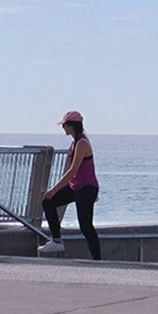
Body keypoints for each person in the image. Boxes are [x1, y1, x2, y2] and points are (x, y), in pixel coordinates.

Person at [43, 110, 102, 259]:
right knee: (48, 202)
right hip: (75, 186)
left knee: (86, 226)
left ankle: (98, 261)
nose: (63, 128)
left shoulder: (82, 143)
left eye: (65, 126)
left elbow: (72, 170)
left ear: (72, 126)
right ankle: (56, 240)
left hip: (87, 188)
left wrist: (54, 188)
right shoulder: (74, 143)